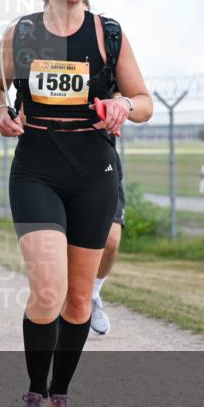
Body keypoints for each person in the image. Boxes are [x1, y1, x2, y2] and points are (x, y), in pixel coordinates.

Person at [0, 0, 152, 407]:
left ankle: (61, 398)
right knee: (48, 292)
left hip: (93, 172)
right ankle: (33, 401)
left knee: (78, 300)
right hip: (36, 168)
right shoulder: (23, 34)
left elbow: (144, 101)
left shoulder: (108, 34)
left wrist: (123, 106)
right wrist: (1, 113)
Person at [90, 144, 126, 335]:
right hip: (54, 165)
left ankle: (93, 294)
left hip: (103, 167)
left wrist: (126, 111)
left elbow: (144, 113)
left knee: (111, 241)